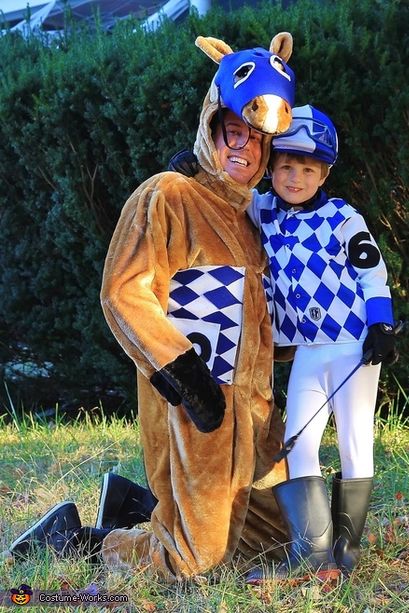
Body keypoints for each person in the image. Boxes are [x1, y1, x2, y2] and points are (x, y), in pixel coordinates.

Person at [4, 33, 298, 581]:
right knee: (196, 563)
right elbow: (125, 291)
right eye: (234, 133)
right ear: (212, 127)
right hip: (198, 413)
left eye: (257, 141)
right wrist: (185, 377)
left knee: (279, 540)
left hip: (255, 418)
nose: (245, 148)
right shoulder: (169, 194)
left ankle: (139, 510)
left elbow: (255, 325)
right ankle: (85, 540)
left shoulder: (252, 223)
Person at [242, 105, 396, 583]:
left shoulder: (343, 217)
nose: (294, 177)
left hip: (351, 345)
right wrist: (194, 166)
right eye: (286, 165)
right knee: (297, 440)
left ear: (324, 172)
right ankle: (312, 553)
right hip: (308, 348)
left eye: (307, 168)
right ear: (271, 166)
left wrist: (382, 326)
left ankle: (345, 554)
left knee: (354, 437)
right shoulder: (261, 208)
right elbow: (222, 192)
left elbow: (373, 273)